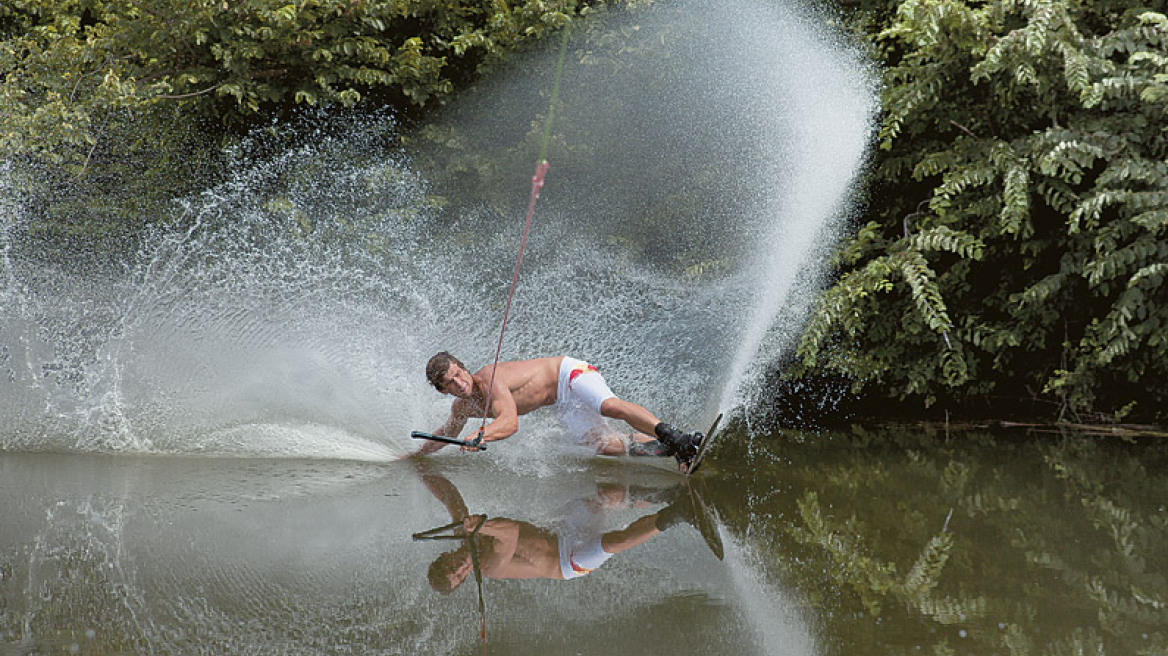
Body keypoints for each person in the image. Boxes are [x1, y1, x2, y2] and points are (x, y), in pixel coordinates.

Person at [414, 352, 704, 466]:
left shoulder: (489, 379)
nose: (459, 383)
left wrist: (482, 436)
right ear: (442, 390)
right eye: (450, 383)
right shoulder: (462, 408)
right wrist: (413, 456)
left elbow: (510, 422)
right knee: (606, 446)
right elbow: (445, 435)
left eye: (458, 374)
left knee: (609, 406)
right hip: (561, 402)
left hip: (569, 374)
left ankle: (677, 437)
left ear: (464, 367)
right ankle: (672, 449)